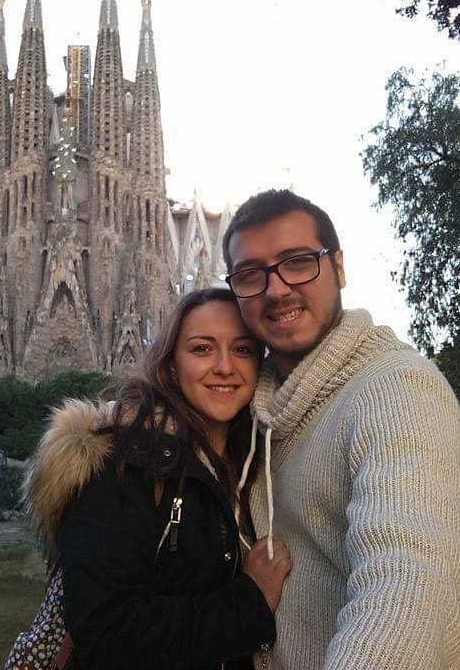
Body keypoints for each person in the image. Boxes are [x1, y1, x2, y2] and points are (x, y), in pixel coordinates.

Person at [222, 189, 460, 670]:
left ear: (338, 267)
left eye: (299, 262)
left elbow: (407, 582)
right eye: (250, 275)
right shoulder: (260, 410)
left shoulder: (395, 389)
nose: (277, 289)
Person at [23, 287, 292, 670]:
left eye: (243, 349)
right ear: (169, 366)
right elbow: (106, 634)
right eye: (201, 349)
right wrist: (251, 601)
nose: (224, 366)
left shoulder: (254, 466)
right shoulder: (122, 466)